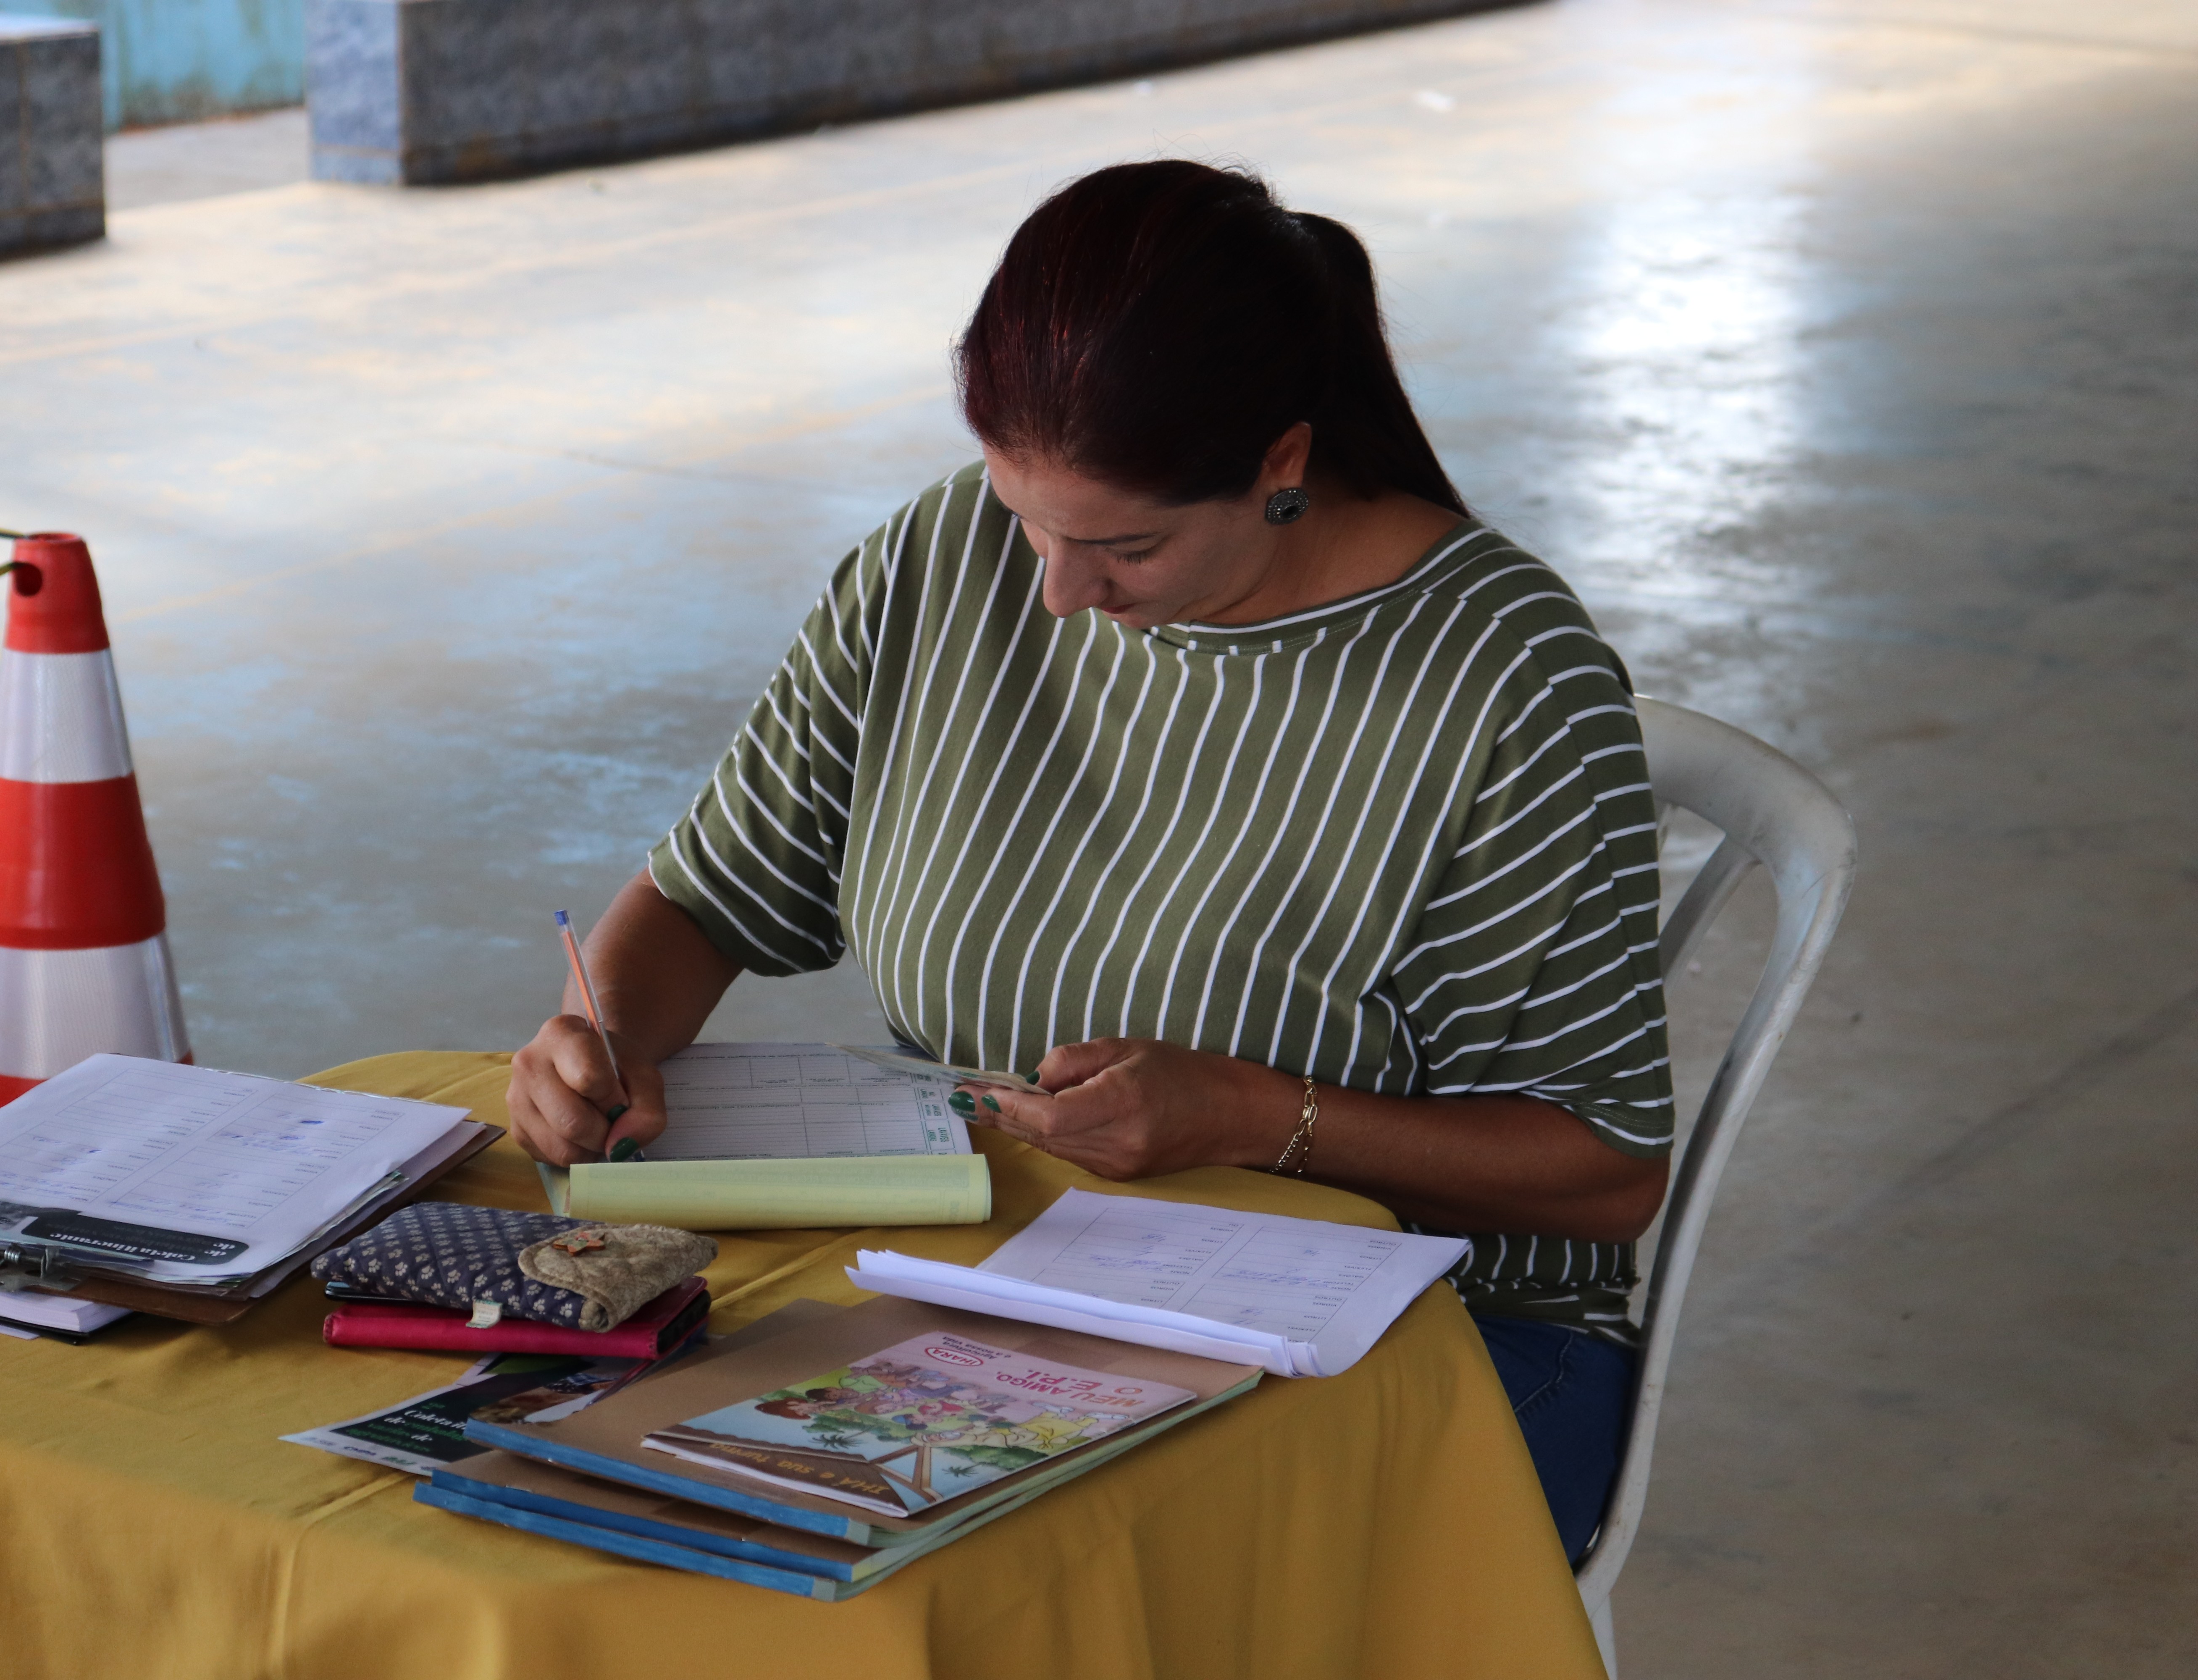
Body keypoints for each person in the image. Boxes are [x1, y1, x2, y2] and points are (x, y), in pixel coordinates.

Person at [507, 160, 1672, 1559]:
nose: (1057, 590)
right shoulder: (947, 560)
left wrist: (1255, 1119)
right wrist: (607, 1036)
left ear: (1281, 465)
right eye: (1024, 515)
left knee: (983, 1596)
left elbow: (1603, 1169)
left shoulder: (1503, 680)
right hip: (1010, 1282)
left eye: (1126, 545)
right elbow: (711, 895)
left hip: (1428, 1338)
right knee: (596, 1496)